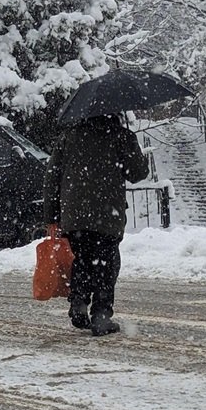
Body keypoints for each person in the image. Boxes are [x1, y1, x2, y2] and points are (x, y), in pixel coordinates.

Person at [42, 113, 149, 337]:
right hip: (107, 214)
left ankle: (79, 305)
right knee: (106, 264)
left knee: (80, 261)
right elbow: (137, 174)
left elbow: (52, 176)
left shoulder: (69, 137)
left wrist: (52, 215)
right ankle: (101, 315)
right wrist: (131, 145)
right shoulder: (120, 136)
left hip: (74, 214)